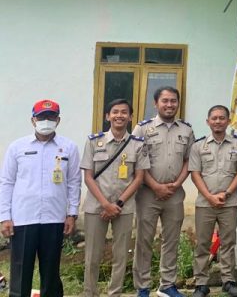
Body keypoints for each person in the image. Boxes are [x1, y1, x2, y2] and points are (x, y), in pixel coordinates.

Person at [0, 99, 81, 297]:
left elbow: (74, 182)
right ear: (33, 120)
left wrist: (72, 214)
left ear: (58, 120)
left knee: (51, 272)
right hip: (23, 218)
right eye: (42, 117)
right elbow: (6, 182)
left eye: (51, 116)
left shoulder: (69, 147)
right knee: (21, 271)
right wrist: (4, 216)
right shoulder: (17, 147)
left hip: (54, 218)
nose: (46, 120)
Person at [132, 86, 195, 297]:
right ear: (156, 103)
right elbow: (136, 162)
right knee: (144, 240)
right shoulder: (142, 129)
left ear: (178, 103)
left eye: (173, 101)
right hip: (147, 194)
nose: (169, 105)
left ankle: (167, 285)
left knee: (172, 239)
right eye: (165, 101)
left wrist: (176, 184)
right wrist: (155, 186)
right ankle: (142, 286)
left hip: (174, 194)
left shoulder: (186, 130)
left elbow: (189, 160)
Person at [82, 99, 148, 297]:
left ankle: (115, 293)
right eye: (115, 112)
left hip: (124, 208)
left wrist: (117, 204)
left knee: (120, 256)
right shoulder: (94, 142)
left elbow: (139, 178)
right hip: (96, 207)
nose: (119, 115)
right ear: (107, 116)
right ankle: (90, 293)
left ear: (130, 117)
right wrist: (105, 204)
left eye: (124, 112)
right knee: (92, 256)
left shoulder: (137, 144)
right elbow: (88, 177)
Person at [188, 106, 237, 297]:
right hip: (205, 203)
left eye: (222, 118)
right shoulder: (198, 146)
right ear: (208, 122)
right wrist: (210, 196)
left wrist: (226, 194)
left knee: (228, 242)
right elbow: (195, 174)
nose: (218, 121)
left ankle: (228, 281)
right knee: (203, 243)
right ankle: (201, 283)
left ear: (228, 121)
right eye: (214, 118)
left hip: (229, 203)